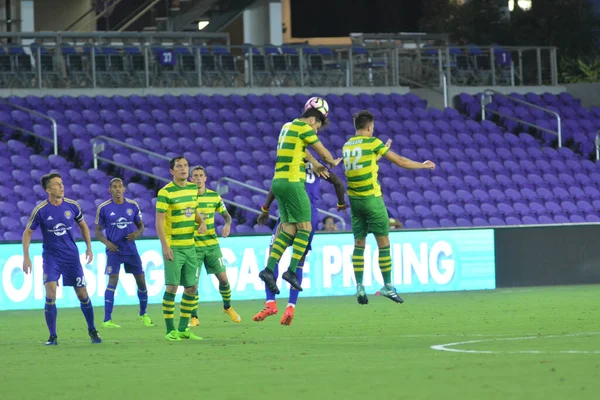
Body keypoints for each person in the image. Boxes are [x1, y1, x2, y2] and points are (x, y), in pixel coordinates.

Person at [342, 111, 436, 305]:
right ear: (369, 127)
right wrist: (423, 165)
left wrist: (379, 153)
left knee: (359, 244)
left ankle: (359, 286)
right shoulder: (372, 142)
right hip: (372, 199)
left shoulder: (347, 146)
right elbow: (401, 161)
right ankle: (388, 286)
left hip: (354, 201)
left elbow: (364, 164)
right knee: (383, 243)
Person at [258, 97, 341, 295]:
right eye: (318, 126)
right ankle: (292, 271)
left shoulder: (287, 126)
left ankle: (269, 270)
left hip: (278, 182)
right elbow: (325, 154)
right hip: (294, 182)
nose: (316, 130)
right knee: (305, 228)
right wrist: (333, 162)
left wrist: (314, 162)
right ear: (313, 119)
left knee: (287, 228)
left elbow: (303, 152)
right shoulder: (305, 128)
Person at [253, 160, 346, 325]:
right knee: (299, 260)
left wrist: (265, 209)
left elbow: (276, 185)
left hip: (291, 209)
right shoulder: (318, 165)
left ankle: (270, 303)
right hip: (310, 213)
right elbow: (338, 183)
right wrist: (340, 202)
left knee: (274, 253)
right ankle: (291, 306)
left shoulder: (290, 160)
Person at [22, 172, 102, 345]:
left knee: (82, 294)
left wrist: (89, 247)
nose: (61, 186)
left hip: (71, 257)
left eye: (61, 183)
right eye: (57, 184)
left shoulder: (72, 206)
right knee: (50, 293)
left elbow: (84, 227)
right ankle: (53, 336)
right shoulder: (41, 210)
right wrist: (26, 257)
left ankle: (92, 330)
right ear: (48, 189)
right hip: (51, 258)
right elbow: (27, 232)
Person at [156, 156, 207, 341]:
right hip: (174, 246)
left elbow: (193, 210)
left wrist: (201, 222)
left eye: (186, 165)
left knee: (192, 287)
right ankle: (170, 331)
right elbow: (159, 221)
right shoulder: (165, 192)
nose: (184, 169)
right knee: (172, 287)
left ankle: (184, 328)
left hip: (190, 246)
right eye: (179, 166)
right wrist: (165, 245)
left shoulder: (193, 188)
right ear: (172, 171)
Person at [94, 177, 153, 328]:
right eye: (114, 187)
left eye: (120, 186)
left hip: (131, 250)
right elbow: (98, 231)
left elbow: (141, 226)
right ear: (110, 190)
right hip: (114, 250)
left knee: (141, 280)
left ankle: (143, 313)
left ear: (124, 189)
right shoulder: (104, 208)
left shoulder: (132, 206)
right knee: (112, 280)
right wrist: (107, 243)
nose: (118, 189)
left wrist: (137, 234)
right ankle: (107, 319)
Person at [187, 166, 241, 326]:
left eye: (200, 175)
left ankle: (227, 307)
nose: (197, 178)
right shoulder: (187, 198)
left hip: (212, 246)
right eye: (194, 176)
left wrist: (227, 225)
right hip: (193, 247)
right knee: (193, 284)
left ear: (205, 178)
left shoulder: (214, 197)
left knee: (223, 279)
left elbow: (227, 215)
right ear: (190, 179)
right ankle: (194, 317)